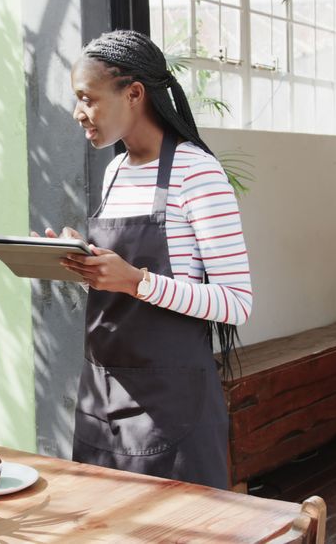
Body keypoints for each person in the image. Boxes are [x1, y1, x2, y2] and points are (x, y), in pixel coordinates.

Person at [39, 30, 253, 489]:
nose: (78, 113)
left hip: (172, 408)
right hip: (101, 399)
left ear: (133, 93)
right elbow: (117, 280)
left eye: (87, 99)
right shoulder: (116, 171)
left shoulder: (198, 172)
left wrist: (136, 280)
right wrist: (84, 259)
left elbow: (237, 302)